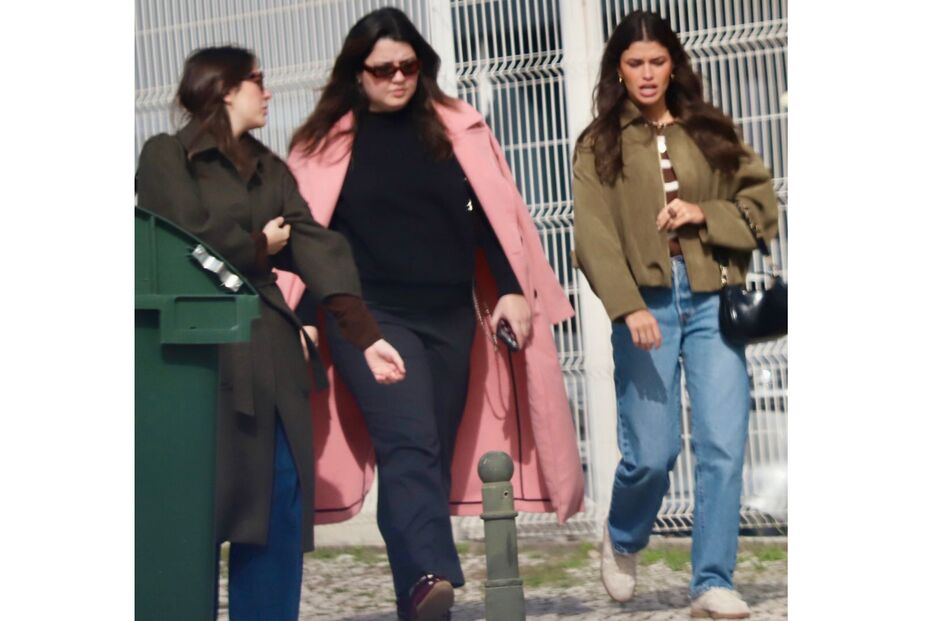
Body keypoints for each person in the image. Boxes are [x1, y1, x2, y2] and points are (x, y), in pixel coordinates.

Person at [278, 8, 585, 621]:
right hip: (366, 319)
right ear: (355, 73)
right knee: (408, 438)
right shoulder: (326, 145)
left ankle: (417, 597)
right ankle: (430, 574)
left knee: (428, 450)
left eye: (409, 67)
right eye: (383, 69)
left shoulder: (456, 130)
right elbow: (316, 236)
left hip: (448, 317)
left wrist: (510, 289)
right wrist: (309, 318)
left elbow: (489, 218)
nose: (397, 78)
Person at [135, 46, 406, 621]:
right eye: (259, 80)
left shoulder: (270, 168)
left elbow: (316, 245)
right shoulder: (167, 156)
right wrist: (260, 246)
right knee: (193, 515)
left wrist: (366, 335)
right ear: (227, 88)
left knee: (276, 509)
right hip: (192, 366)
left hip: (267, 353)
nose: (270, 92)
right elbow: (185, 235)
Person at [572, 10, 779, 620]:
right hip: (646, 305)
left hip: (715, 300)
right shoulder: (597, 143)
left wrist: (702, 214)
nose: (646, 74)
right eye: (634, 63)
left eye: (657, 61)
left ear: (674, 64)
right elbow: (593, 236)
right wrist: (628, 306)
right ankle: (624, 536)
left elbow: (761, 207)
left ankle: (712, 580)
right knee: (653, 453)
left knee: (722, 442)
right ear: (618, 68)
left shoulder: (710, 129)